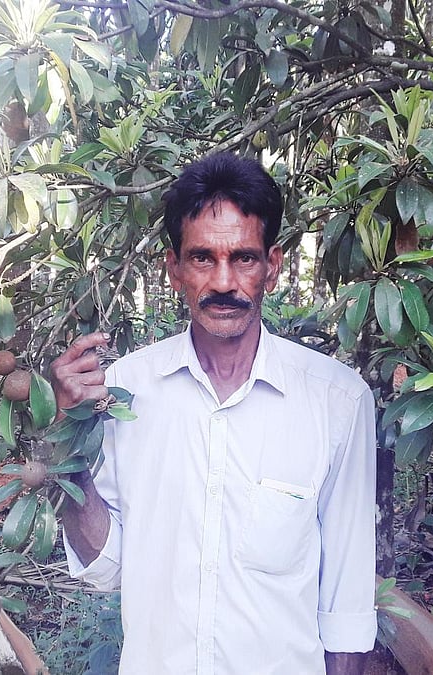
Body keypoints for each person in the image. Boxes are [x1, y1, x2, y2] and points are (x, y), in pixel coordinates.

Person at [50, 152, 377, 674]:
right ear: (174, 269)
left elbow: (348, 599)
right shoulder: (122, 393)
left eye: (243, 258)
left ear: (274, 265)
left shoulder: (337, 401)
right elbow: (104, 567)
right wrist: (69, 435)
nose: (224, 282)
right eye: (203, 258)